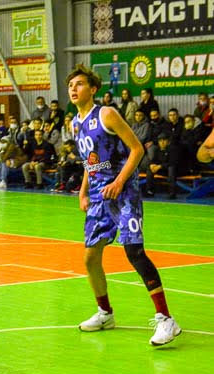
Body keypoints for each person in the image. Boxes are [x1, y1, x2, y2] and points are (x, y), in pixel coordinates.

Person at [67, 64, 180, 346]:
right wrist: (82, 192)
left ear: (92, 89)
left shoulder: (106, 114)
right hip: (96, 195)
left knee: (135, 253)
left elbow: (137, 149)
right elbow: (89, 163)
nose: (73, 88)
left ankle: (167, 320)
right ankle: (105, 313)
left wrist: (118, 181)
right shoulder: (74, 123)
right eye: (71, 84)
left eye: (79, 84)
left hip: (124, 191)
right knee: (90, 258)